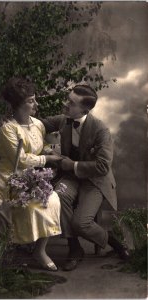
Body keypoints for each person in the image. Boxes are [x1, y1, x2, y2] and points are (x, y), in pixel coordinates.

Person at [42, 84, 130, 271]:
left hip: (94, 180)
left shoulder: (101, 130)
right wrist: (13, 121)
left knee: (81, 223)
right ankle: (74, 248)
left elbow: (102, 166)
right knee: (58, 197)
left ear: (85, 110)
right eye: (68, 99)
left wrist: (72, 165)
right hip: (71, 178)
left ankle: (114, 243)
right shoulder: (64, 120)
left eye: (71, 103)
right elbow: (39, 124)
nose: (65, 104)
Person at [0, 77, 63, 271]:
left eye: (34, 99)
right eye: (31, 101)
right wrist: (47, 160)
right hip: (9, 179)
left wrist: (48, 150)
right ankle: (11, 250)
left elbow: (38, 147)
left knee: (52, 198)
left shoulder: (38, 124)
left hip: (31, 179)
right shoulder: (8, 129)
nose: (36, 104)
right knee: (28, 207)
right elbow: (19, 160)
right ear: (18, 105)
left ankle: (40, 250)